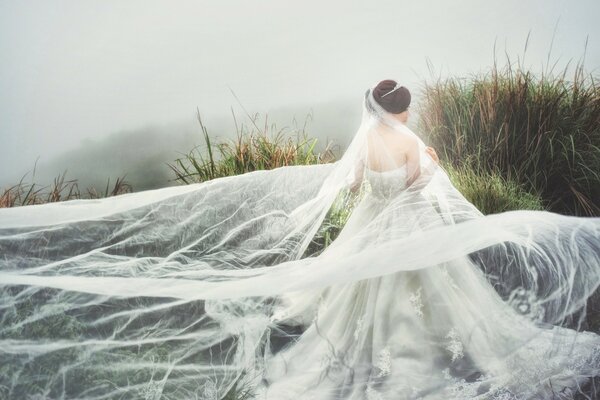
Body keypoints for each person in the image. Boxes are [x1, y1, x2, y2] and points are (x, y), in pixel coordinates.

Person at [0, 79, 599, 400]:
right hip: (410, 225)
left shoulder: (366, 143)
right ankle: (431, 352)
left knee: (361, 295)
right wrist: (429, 161)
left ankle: (375, 352)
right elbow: (420, 187)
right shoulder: (415, 144)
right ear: (401, 112)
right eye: (409, 110)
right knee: (438, 290)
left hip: (372, 223)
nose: (412, 116)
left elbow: (360, 186)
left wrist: (391, 186)